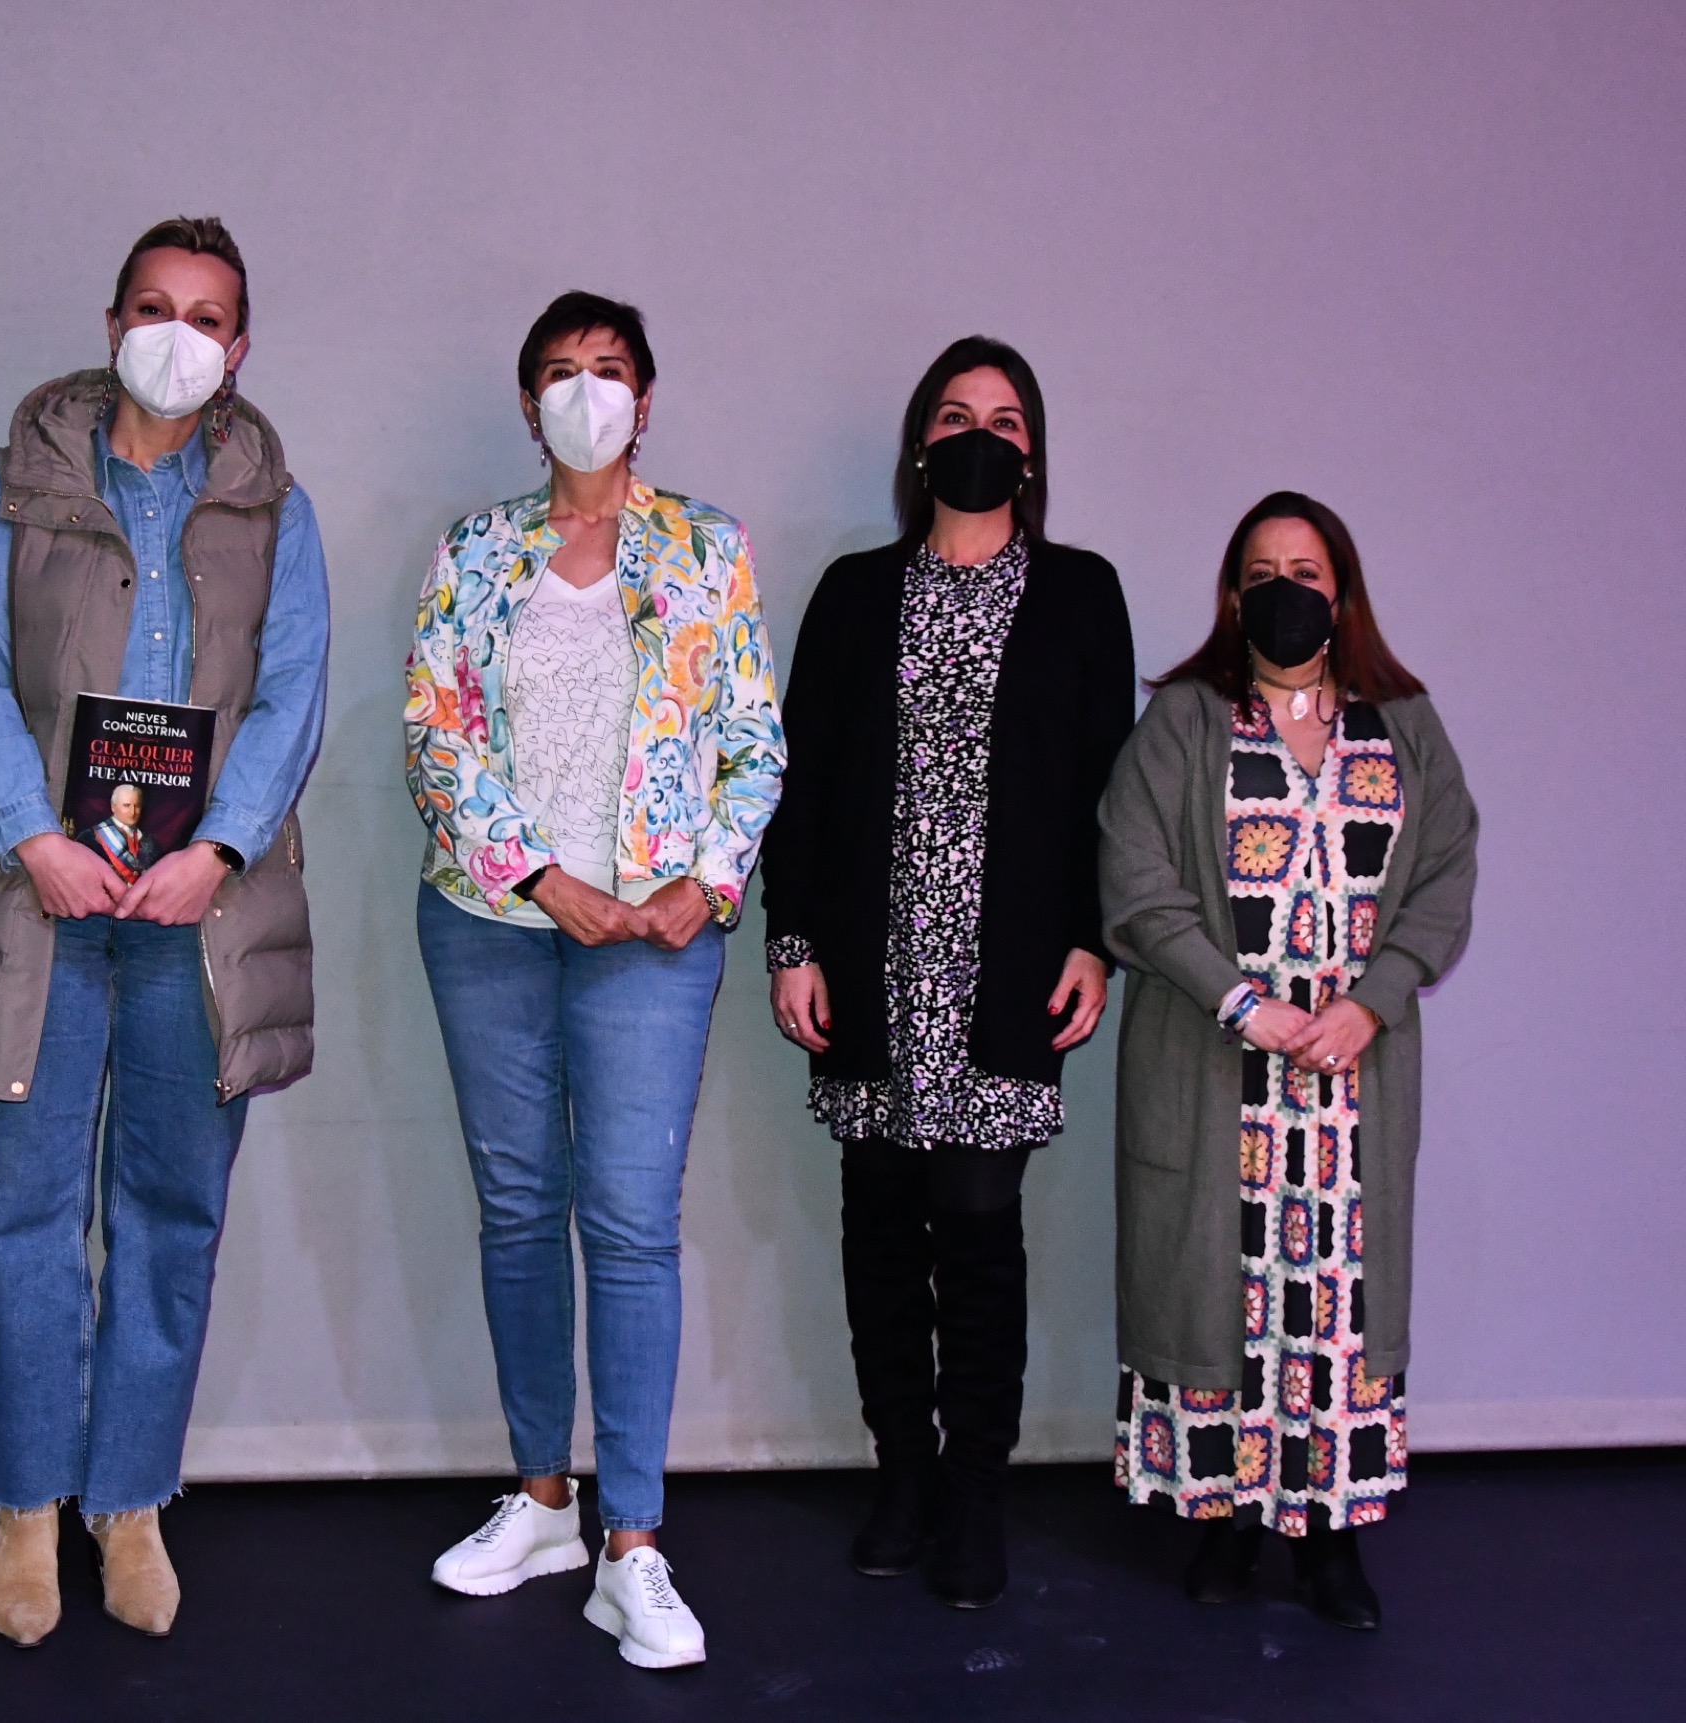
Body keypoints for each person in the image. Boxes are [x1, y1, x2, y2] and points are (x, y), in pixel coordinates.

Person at [0, 216, 329, 1647]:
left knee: (170, 1209)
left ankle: (129, 1499)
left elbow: (293, 694)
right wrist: (36, 836)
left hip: (197, 916)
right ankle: (25, 1504)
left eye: (207, 317)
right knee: (21, 1210)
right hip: (37, 901)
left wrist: (219, 848)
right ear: (110, 322)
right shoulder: (9, 491)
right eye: (155, 307)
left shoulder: (276, 511)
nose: (177, 336)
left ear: (240, 345)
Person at [405, 290, 784, 1669]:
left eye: (608, 368)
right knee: (518, 1209)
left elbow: (753, 740)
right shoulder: (475, 549)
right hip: (491, 922)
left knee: (628, 1224)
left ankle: (633, 1543)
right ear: (527, 403)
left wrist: (706, 882)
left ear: (646, 394)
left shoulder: (706, 548)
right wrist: (536, 877)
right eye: (559, 371)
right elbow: (434, 732)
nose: (584, 392)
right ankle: (544, 1500)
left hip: (654, 937)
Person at [757, 336, 1135, 1608]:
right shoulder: (854, 592)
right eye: (956, 414)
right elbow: (802, 779)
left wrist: (1092, 937)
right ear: (919, 444)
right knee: (877, 1230)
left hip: (1007, 969)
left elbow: (1106, 785)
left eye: (1006, 419)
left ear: (1032, 453)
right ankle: (902, 1476)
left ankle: (975, 1490)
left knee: (977, 1235)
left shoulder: (1079, 592)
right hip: (873, 965)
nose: (981, 436)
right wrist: (793, 943)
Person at [1100, 491, 1476, 1629]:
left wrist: (1372, 1002)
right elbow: (1134, 877)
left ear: (1340, 592)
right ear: (1232, 596)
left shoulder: (1403, 722)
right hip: (1217, 1066)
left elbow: (1444, 873)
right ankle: (1219, 1519)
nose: (1284, 591)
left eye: (1305, 573)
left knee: (1337, 1308)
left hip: (1352, 1084)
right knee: (1213, 1296)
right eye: (1261, 573)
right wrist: (1240, 1002)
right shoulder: (1183, 721)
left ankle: (1329, 1538)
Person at [83, 782, 152, 880]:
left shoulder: (148, 841)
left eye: (137, 806)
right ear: (113, 807)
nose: (132, 812)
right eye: (126, 805)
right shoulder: (89, 837)